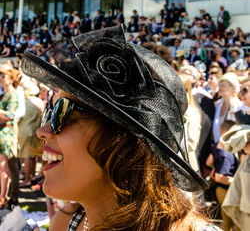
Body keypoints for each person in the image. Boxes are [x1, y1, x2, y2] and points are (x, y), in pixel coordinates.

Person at [21, 25, 220, 231]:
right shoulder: (66, 223)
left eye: (64, 112)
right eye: (49, 110)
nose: (42, 130)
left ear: (122, 139)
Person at [0, 68, 19, 208]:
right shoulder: (3, 94)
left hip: (5, 134)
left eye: (3, 75)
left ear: (11, 78)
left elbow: (10, 115)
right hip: (2, 132)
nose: (0, 78)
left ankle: (2, 199)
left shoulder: (13, 94)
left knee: (3, 168)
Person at [212, 73, 244, 144]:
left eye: (223, 85)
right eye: (219, 85)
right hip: (217, 148)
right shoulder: (218, 104)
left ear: (233, 88)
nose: (220, 87)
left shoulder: (239, 106)